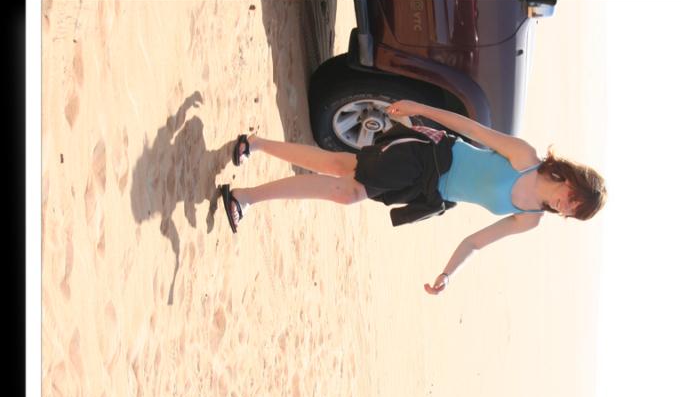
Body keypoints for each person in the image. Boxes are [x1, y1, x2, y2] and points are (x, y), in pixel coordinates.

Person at [220, 99, 607, 295]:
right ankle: (246, 192)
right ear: (571, 181)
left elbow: (475, 242)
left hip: (428, 191)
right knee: (347, 188)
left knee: (341, 171)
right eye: (574, 201)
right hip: (427, 156)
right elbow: (470, 128)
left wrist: (448, 274)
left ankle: (254, 149)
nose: (566, 209)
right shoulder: (525, 158)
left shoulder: (530, 218)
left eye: (573, 213)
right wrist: (420, 109)